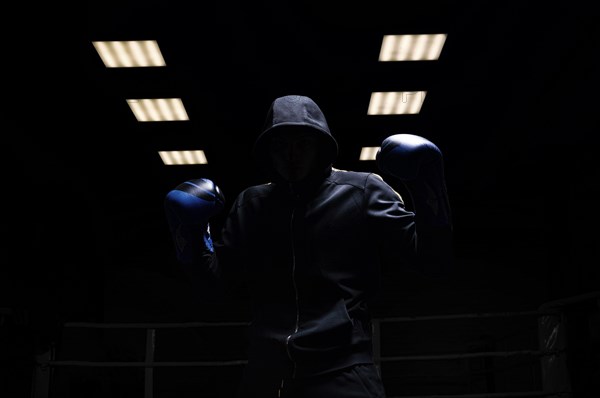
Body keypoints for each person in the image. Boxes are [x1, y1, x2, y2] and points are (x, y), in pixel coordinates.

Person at [164, 94, 452, 398]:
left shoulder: (362, 190)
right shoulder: (251, 203)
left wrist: (426, 186)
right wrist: (191, 237)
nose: (291, 154)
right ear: (268, 151)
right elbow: (216, 287)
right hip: (266, 370)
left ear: (320, 146)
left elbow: (433, 262)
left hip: (342, 367)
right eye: (280, 145)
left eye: (301, 143)